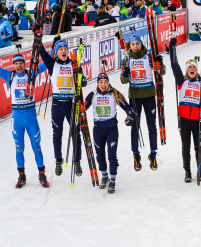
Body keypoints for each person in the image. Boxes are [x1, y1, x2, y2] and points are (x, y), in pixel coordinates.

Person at [37, 38, 87, 176]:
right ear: (57, 52)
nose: (63, 51)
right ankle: (58, 160)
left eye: (65, 49)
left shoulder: (74, 64)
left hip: (71, 104)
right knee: (57, 134)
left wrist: (82, 78)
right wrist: (37, 38)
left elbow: (83, 83)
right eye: (60, 49)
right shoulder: (52, 64)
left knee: (75, 134)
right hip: (57, 105)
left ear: (68, 51)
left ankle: (77, 161)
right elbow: (42, 52)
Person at [0, 55, 49, 188]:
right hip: (17, 119)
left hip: (31, 117)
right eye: (16, 64)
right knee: (19, 149)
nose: (19, 66)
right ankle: (22, 176)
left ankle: (42, 174)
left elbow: (45, 64)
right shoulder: (9, 75)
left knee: (37, 147)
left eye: (21, 63)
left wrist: (53, 50)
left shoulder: (31, 73)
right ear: (13, 65)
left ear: (24, 64)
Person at [84, 73, 135, 193]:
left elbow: (127, 107)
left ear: (108, 83)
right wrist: (77, 106)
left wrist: (130, 116)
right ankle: (105, 176)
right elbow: (82, 107)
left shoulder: (114, 93)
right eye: (101, 82)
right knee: (99, 155)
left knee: (112, 155)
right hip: (98, 129)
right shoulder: (93, 94)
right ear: (97, 83)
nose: (103, 85)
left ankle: (112, 180)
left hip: (111, 129)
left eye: (105, 82)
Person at [121, 35, 164, 171]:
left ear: (141, 45)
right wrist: (126, 73)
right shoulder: (127, 59)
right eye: (132, 44)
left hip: (150, 95)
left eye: (137, 44)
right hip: (135, 96)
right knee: (135, 126)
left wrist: (159, 63)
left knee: (152, 125)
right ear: (130, 46)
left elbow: (161, 71)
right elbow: (123, 80)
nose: (135, 46)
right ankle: (136, 155)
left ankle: (153, 154)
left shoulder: (148, 56)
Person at [168, 37, 201, 182]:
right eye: (190, 68)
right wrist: (172, 49)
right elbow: (174, 65)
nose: (192, 69)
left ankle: (200, 170)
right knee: (185, 147)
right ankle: (187, 171)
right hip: (184, 118)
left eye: (194, 67)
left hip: (197, 118)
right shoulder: (182, 82)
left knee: (198, 147)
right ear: (187, 71)